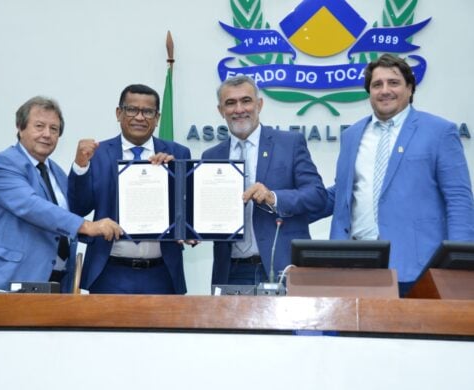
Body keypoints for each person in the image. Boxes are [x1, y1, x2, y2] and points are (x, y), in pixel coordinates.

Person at [313, 54, 474, 296]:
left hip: (420, 267)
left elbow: (459, 200)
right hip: (355, 263)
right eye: (377, 84)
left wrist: (459, 265)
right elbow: (343, 194)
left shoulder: (440, 132)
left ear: (410, 88)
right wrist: (282, 202)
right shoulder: (352, 135)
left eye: (394, 83)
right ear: (369, 92)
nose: (385, 90)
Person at [0, 96, 123, 292]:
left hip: (55, 283)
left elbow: (68, 218)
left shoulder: (56, 172)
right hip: (5, 282)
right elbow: (31, 206)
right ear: (20, 128)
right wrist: (88, 226)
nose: (47, 134)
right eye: (39, 126)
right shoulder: (4, 164)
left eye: (54, 129)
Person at [202, 75, 327, 286]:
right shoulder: (211, 156)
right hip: (231, 271)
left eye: (246, 100)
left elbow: (317, 195)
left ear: (259, 104)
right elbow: (204, 211)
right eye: (230, 103)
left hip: (283, 268)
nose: (239, 109)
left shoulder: (290, 143)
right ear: (220, 110)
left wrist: (274, 197)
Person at [68, 84, 191, 294]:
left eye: (148, 111)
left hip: (162, 273)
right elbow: (79, 207)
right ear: (119, 113)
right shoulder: (96, 154)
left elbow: (187, 211)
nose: (140, 117)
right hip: (109, 272)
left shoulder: (177, 153)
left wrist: (170, 176)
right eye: (132, 110)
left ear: (158, 117)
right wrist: (80, 166)